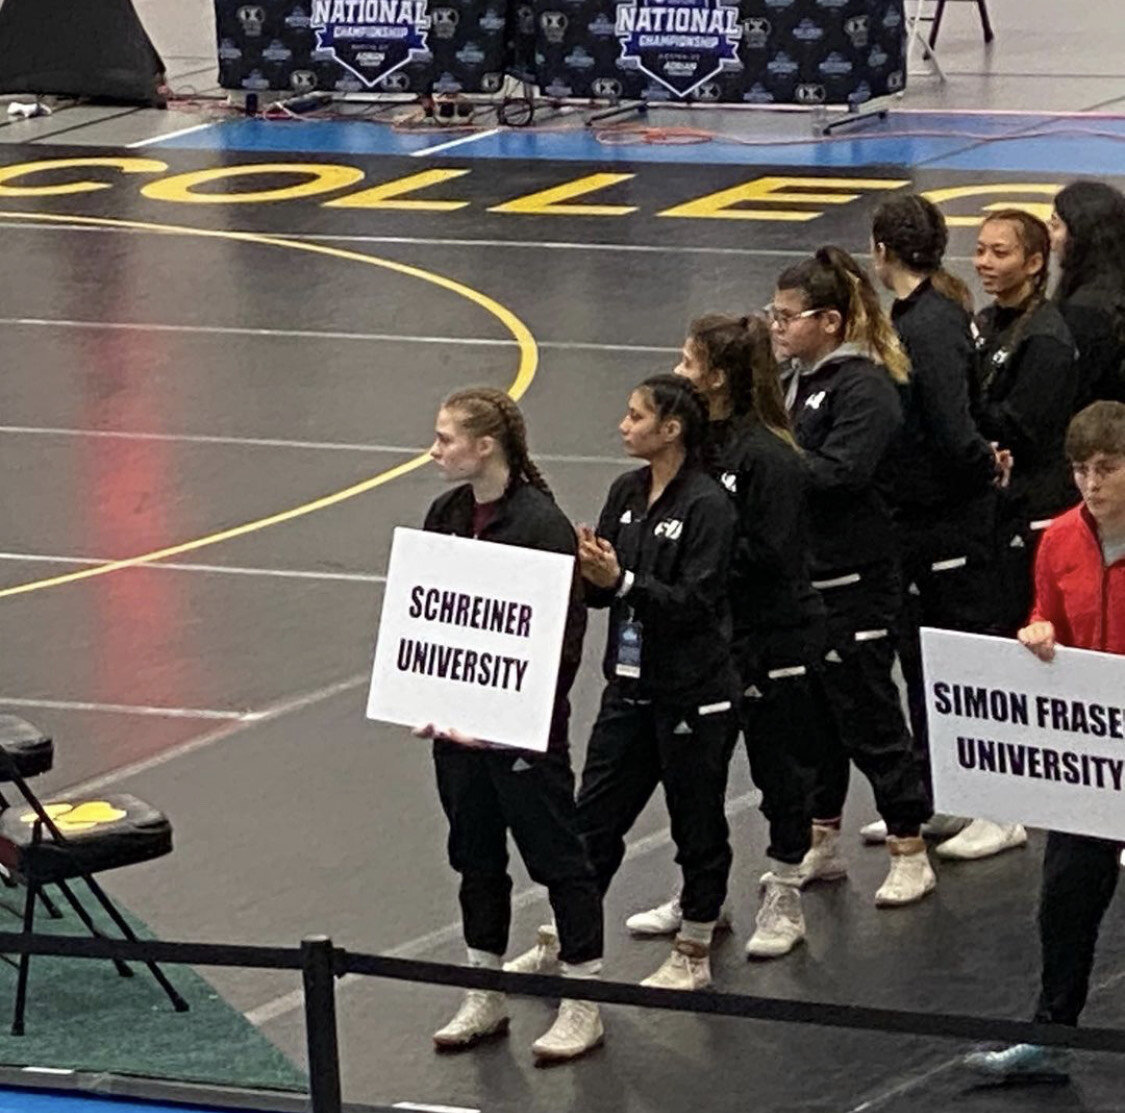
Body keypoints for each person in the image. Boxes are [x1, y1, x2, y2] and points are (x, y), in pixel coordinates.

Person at [625, 314, 830, 958]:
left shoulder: (767, 454)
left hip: (768, 634)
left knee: (777, 768)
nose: (679, 372)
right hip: (706, 644)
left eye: (688, 363)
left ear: (717, 377)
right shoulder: (688, 449)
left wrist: (703, 569)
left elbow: (774, 553)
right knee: (696, 777)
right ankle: (700, 896)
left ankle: (787, 888)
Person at [417, 387, 604, 1063]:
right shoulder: (445, 512)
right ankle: (483, 989)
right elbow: (435, 611)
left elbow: (559, 636)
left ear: (484, 446)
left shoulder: (539, 524)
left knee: (558, 858)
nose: (434, 450)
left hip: (523, 732)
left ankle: (585, 997)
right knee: (473, 855)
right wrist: (431, 699)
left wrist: (516, 716)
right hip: (458, 731)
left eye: (445, 438)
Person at [966, 400, 1125, 1080]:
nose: (1091, 483)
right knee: (1063, 898)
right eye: (1080, 470)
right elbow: (1045, 613)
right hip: (1089, 756)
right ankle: (1049, 1030)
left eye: (1107, 469)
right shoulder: (1059, 537)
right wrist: (1035, 633)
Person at [771, 246, 935, 907]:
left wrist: (772, 468)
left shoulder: (861, 385)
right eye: (773, 314)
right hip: (808, 575)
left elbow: (842, 472)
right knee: (811, 717)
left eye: (786, 316)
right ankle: (821, 837)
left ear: (829, 321)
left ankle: (907, 843)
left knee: (867, 711)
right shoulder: (799, 381)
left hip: (854, 576)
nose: (776, 326)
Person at [865, 194, 1025, 862]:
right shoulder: (914, 314)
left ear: (881, 251)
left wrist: (978, 466)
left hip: (947, 520)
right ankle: (940, 788)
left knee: (965, 655)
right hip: (915, 519)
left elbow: (950, 418)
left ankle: (1002, 804)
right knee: (924, 658)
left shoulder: (928, 321)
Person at [572, 374, 740, 990]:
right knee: (592, 817)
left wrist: (619, 582)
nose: (623, 424)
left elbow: (697, 601)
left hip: (693, 689)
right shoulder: (625, 491)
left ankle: (694, 944)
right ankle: (574, 937)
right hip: (629, 682)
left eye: (636, 416)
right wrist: (592, 576)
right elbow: (604, 594)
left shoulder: (708, 505)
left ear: (671, 430)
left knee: (694, 818)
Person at [972, 209, 1080, 634]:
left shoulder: (1047, 339)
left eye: (999, 253)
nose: (984, 262)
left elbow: (1025, 430)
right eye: (980, 250)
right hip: (996, 507)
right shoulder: (985, 321)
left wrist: (962, 407)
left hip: (1034, 512)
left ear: (1034, 264)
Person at [1050, 180, 1125, 409]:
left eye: (1055, 225)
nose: (1049, 237)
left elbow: (1066, 390)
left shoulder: (1085, 312)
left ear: (1080, 235)